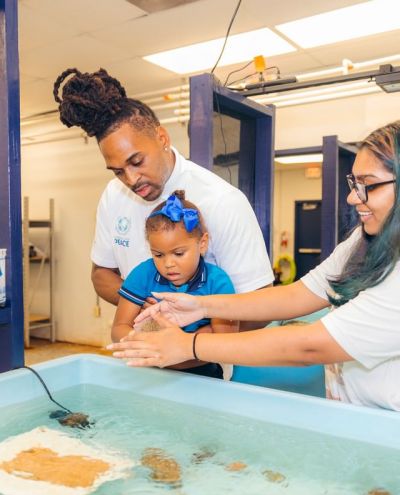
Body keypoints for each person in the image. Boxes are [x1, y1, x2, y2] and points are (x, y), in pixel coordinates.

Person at [108, 121, 400, 411]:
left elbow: (309, 346)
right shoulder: (365, 240)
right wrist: (201, 306)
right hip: (356, 411)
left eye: (368, 185)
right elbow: (297, 294)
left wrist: (188, 345)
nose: (352, 197)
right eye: (354, 184)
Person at [53, 68, 274, 327]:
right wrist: (147, 305)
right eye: (118, 171)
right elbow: (101, 274)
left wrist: (191, 341)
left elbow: (260, 306)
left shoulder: (223, 200)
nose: (131, 179)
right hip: (141, 342)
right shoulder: (113, 195)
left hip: (205, 349)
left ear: (162, 138)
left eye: (137, 162)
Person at [111, 190, 238, 378]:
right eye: (158, 255)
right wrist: (147, 344)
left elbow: (224, 342)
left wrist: (179, 354)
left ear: (202, 243)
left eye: (178, 254)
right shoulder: (143, 274)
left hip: (203, 370)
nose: (168, 264)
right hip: (150, 366)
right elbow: (119, 328)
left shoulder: (218, 283)